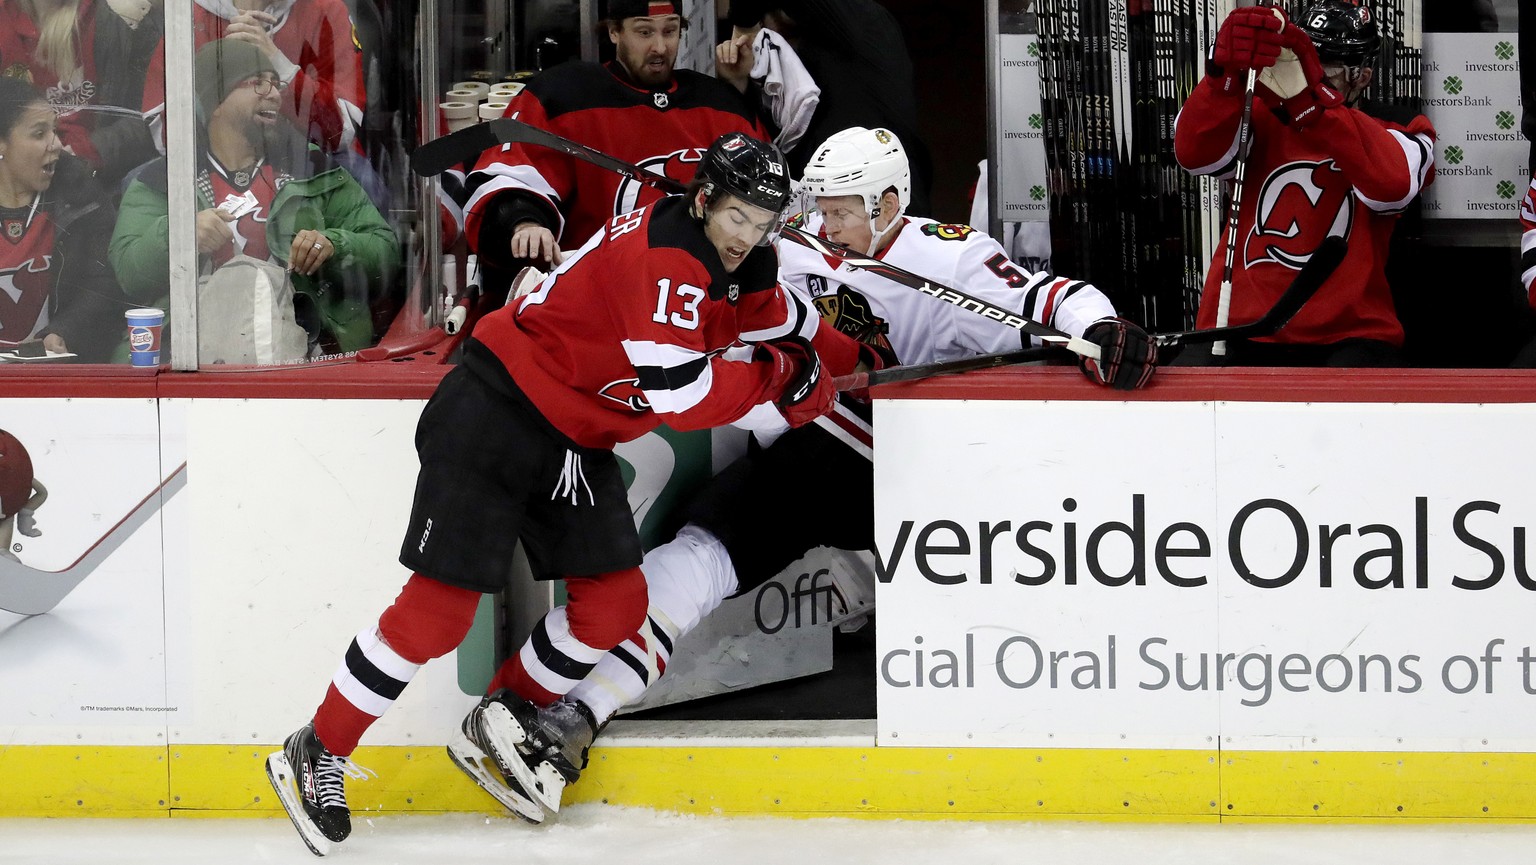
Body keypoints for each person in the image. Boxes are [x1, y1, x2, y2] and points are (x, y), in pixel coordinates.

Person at [466, 126, 1159, 819]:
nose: (824, 223)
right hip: (815, 444)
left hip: (892, 465)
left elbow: (1047, 299)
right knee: (700, 552)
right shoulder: (795, 242)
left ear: (889, 203)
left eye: (842, 210)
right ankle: (574, 719)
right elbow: (690, 268)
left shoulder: (948, 256)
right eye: (818, 207)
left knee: (722, 544)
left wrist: (1101, 328)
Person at [265, 133, 869, 853]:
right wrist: (780, 379)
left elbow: (784, 317)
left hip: (575, 437)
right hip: (497, 407)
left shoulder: (736, 257)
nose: (748, 236)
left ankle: (507, 714)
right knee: (437, 615)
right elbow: (681, 396)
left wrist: (854, 361)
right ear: (705, 199)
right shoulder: (668, 261)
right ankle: (319, 748)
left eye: (763, 220)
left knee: (616, 604)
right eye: (737, 215)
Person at [1172, 0, 1434, 367]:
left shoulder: (1399, 128)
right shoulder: (1257, 116)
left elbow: (1392, 188)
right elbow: (1194, 154)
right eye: (1299, 62)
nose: (1304, 75)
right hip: (1240, 326)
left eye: (1321, 68)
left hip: (1350, 334)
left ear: (1363, 76)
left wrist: (1314, 106)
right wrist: (1222, 80)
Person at [109, 38, 397, 359]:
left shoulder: (314, 168)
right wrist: (179, 235)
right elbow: (128, 273)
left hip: (309, 358)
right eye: (257, 83)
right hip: (188, 360)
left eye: (275, 84)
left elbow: (385, 253)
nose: (274, 93)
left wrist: (333, 246)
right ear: (215, 101)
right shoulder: (163, 180)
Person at [462, 0, 767, 291]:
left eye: (670, 30)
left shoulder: (721, 104)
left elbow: (769, 194)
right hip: (597, 298)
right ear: (614, 31)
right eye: (644, 32)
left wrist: (740, 89)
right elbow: (512, 171)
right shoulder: (563, 96)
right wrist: (525, 221)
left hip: (704, 301)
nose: (660, 47)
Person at [716, 0, 933, 216]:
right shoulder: (789, 73)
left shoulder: (864, 22)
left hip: (888, 215)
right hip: (821, 220)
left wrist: (744, 25)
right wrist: (739, 83)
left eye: (763, 23)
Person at [0, 77, 126, 361]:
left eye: (54, 131)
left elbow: (103, 284)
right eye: (38, 134)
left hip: (60, 379)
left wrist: (63, 331)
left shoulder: (81, 194)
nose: (56, 144)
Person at [139, 0, 364, 155]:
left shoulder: (325, 9)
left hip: (311, 163)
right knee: (139, 186)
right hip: (215, 163)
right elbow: (167, 136)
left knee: (365, 185)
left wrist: (277, 63)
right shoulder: (191, 15)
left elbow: (340, 133)